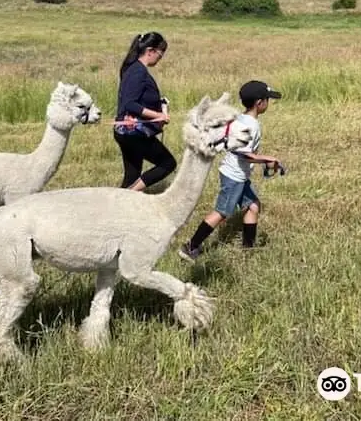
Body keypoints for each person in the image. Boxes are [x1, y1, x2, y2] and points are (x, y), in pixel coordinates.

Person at [178, 80, 283, 261]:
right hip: (234, 176)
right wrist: (269, 159)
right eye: (267, 99)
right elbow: (245, 154)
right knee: (222, 212)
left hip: (238, 174)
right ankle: (190, 247)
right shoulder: (251, 125)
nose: (268, 103)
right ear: (260, 103)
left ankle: (248, 250)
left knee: (253, 206)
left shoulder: (240, 118)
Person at [113, 32, 177, 191]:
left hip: (126, 133)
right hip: (134, 134)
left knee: (132, 176)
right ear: (150, 51)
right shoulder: (138, 72)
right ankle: (130, 194)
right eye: (160, 55)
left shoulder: (133, 68)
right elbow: (130, 104)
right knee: (167, 163)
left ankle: (121, 202)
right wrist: (159, 115)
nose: (159, 59)